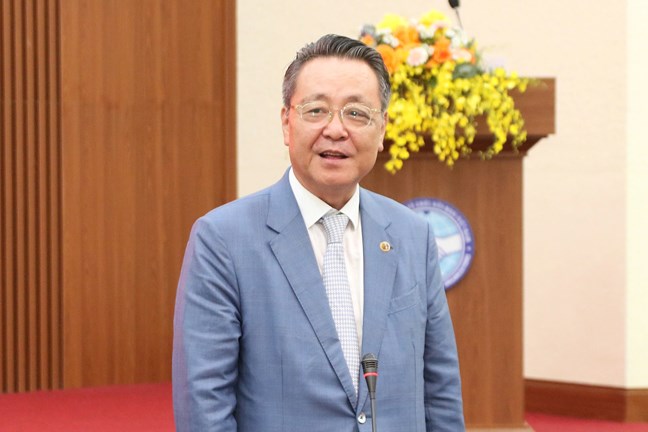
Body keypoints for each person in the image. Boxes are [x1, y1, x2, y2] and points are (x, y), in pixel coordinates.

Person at [172, 34, 465, 431]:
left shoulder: (413, 235)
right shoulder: (223, 240)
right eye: (316, 110)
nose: (336, 130)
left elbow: (440, 388)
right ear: (286, 123)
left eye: (356, 113)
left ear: (382, 129)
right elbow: (204, 404)